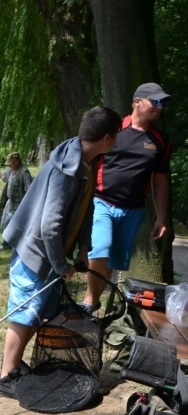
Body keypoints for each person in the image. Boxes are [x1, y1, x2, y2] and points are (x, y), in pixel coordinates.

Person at [0, 106, 122, 399]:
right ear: (107, 138)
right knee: (25, 312)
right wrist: (60, 263)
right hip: (35, 252)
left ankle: (14, 367)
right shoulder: (67, 170)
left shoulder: (86, 163)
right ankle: (6, 376)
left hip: (54, 254)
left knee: (38, 312)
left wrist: (81, 248)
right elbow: (49, 226)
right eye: (116, 136)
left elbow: (85, 210)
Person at [81, 83, 173, 313]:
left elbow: (160, 180)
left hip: (133, 210)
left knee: (112, 263)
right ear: (137, 102)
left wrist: (161, 217)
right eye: (155, 101)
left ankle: (91, 306)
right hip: (101, 201)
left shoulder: (160, 141)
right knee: (99, 249)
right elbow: (87, 158)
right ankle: (89, 302)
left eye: (162, 103)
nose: (159, 107)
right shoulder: (113, 129)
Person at [0, 152, 33, 251]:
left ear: (16, 162)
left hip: (19, 205)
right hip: (10, 203)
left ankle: (9, 245)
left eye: (10, 163)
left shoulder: (24, 173)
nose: (9, 165)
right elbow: (1, 175)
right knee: (4, 223)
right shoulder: (11, 171)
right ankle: (6, 244)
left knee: (11, 224)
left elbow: (31, 191)